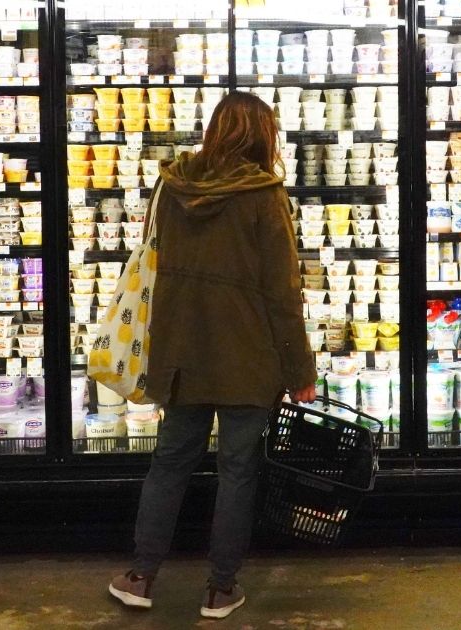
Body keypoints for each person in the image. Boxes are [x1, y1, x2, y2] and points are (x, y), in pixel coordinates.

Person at [108, 91, 318, 620]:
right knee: (238, 471)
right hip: (248, 355)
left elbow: (150, 257)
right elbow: (282, 293)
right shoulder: (264, 195)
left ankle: (140, 575)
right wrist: (300, 371)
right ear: (262, 137)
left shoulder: (171, 185)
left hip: (181, 352)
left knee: (170, 464)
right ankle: (221, 589)